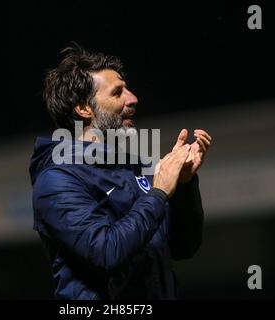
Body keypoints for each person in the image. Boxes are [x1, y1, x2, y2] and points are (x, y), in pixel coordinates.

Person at [29, 45, 212, 300]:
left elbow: (183, 247)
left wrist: (183, 185)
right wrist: (159, 192)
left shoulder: (135, 166)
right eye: (118, 93)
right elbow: (107, 252)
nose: (133, 98)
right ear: (84, 108)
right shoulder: (57, 180)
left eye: (127, 89)